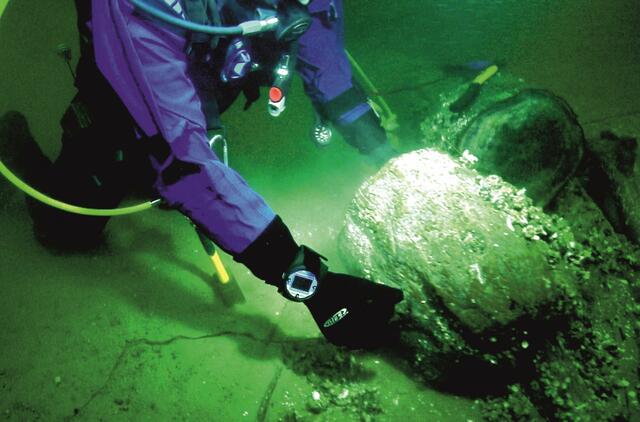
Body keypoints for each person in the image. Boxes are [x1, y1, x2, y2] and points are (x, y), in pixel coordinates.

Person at [0, 0, 402, 349]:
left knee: (172, 184)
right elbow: (183, 160)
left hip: (197, 94)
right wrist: (303, 275)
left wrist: (389, 162)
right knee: (66, 231)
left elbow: (329, 72)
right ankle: (14, 141)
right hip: (122, 105)